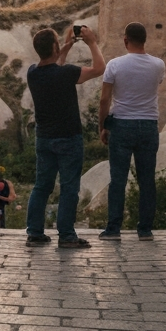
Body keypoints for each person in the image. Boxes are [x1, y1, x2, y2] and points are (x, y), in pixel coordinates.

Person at [25, 25, 105, 249]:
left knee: (41, 186)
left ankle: (34, 233)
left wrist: (65, 48)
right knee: (69, 187)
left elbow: (53, 67)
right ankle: (67, 235)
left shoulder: (33, 72)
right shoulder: (67, 73)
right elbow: (100, 68)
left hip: (44, 139)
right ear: (54, 47)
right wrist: (91, 42)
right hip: (69, 138)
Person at [98, 22, 166, 241]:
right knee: (147, 180)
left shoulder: (115, 65)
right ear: (144, 40)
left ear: (125, 40)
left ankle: (113, 229)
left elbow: (104, 99)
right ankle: (145, 230)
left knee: (118, 179)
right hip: (148, 125)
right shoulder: (158, 65)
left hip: (122, 124)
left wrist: (103, 126)